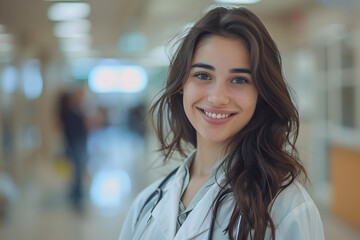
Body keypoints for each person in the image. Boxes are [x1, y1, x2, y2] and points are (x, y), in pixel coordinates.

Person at [119, 7, 325, 240]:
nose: (218, 97)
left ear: (261, 94)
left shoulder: (286, 208)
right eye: (203, 75)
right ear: (181, 85)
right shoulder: (146, 204)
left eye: (239, 80)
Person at [57, 89, 88, 210]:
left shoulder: (77, 110)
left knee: (77, 170)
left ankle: (75, 192)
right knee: (77, 170)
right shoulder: (69, 113)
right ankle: (77, 195)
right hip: (76, 144)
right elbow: (69, 131)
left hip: (79, 142)